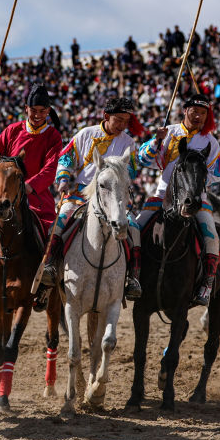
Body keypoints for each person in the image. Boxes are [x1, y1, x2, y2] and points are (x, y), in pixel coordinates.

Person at [39, 96, 146, 301]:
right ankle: (50, 267)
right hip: (81, 194)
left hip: (112, 197)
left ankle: (133, 277)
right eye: (119, 120)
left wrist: (120, 174)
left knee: (133, 227)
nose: (123, 125)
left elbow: (132, 172)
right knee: (60, 220)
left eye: (126, 121)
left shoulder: (128, 143)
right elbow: (66, 157)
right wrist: (63, 178)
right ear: (106, 116)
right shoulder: (86, 134)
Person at [0, 84, 63, 302]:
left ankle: (45, 284)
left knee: (52, 236)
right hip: (3, 196)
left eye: (42, 111)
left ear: (48, 111)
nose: (37, 115)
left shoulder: (53, 136)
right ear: (26, 109)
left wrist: (29, 186)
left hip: (37, 198)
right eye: (33, 110)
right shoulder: (12, 130)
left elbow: (51, 168)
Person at [136, 94, 220, 306]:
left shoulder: (210, 142)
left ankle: (207, 283)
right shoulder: (169, 132)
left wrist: (198, 179)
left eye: (203, 113)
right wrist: (156, 141)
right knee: (135, 228)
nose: (198, 116)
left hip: (196, 198)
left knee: (211, 236)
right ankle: (132, 275)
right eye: (195, 111)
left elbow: (218, 173)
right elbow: (143, 159)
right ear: (185, 110)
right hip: (162, 194)